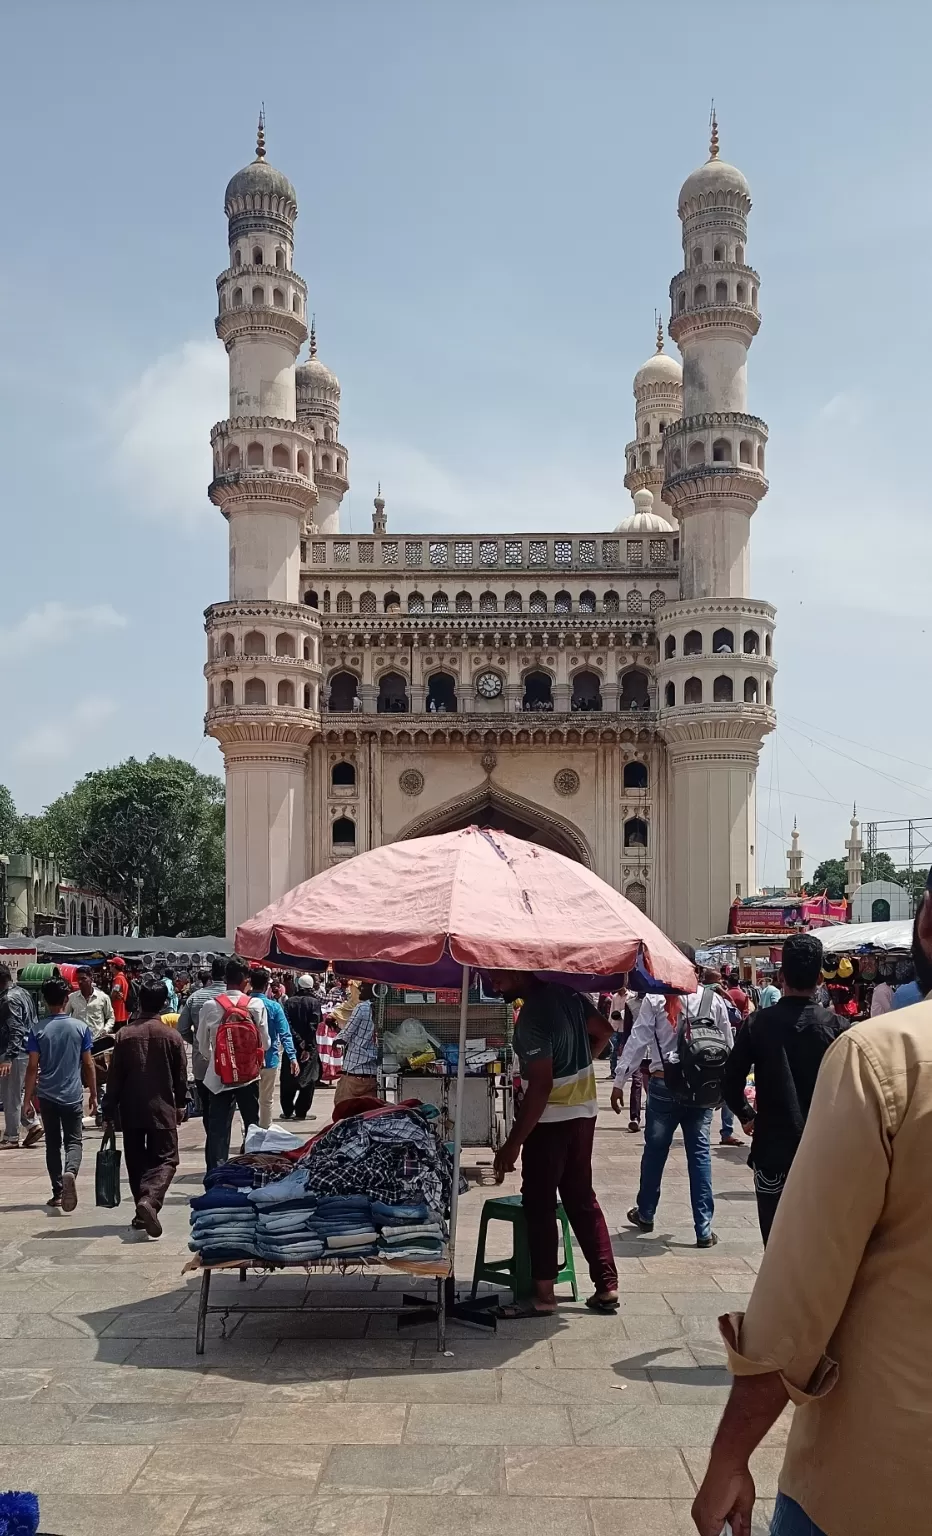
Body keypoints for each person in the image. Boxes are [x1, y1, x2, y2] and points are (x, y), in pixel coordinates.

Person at [690, 872, 932, 1536]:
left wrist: (730, 1455)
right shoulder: (840, 1029)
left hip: (883, 1472)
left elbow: (801, 1292)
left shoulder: (886, 1057)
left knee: (789, 1256)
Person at [489, 972, 619, 1317]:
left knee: (540, 1204)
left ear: (520, 974)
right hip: (584, 1111)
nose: (493, 984)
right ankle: (607, 1286)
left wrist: (513, 1143)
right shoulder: (568, 995)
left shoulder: (532, 1016)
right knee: (581, 1199)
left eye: (498, 977)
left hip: (550, 1121)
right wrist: (580, 1065)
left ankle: (544, 1295)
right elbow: (604, 1032)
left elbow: (541, 1086)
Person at [722, 933, 840, 1244]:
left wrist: (747, 1115)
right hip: (823, 1152)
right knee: (820, 1243)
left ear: (781, 976)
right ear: (819, 978)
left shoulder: (758, 1024)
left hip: (772, 1149)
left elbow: (730, 1080)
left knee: (774, 1243)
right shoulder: (837, 1028)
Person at [616, 945, 733, 1248]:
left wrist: (619, 1080)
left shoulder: (656, 1000)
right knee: (699, 1154)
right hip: (701, 1091)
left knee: (655, 1152)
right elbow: (728, 1047)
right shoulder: (713, 1000)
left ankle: (646, 1212)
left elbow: (637, 1041)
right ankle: (704, 1229)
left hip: (663, 1085)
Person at [101, 979, 187, 1237]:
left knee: (136, 1161)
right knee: (167, 1159)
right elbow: (181, 1078)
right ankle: (149, 1200)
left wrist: (108, 1109)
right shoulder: (172, 1036)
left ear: (139, 1002)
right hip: (162, 1109)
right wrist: (181, 1104)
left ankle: (142, 1210)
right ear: (163, 1003)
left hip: (131, 1110)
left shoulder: (124, 1035)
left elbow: (113, 1077)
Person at [22, 978, 96, 1210]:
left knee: (52, 1145)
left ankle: (58, 1192)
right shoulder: (80, 1028)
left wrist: (27, 1100)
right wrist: (94, 1093)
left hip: (47, 1096)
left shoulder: (37, 1030)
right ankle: (70, 1171)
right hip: (73, 1095)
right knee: (74, 1141)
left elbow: (33, 1067)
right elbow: (88, 1064)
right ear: (66, 999)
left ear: (45, 1000)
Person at [196, 957, 270, 1170]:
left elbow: (202, 1046)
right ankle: (253, 1168)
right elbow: (265, 1043)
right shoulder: (255, 1005)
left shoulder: (210, 1006)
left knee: (218, 1129)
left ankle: (216, 1175)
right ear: (246, 980)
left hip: (218, 1077)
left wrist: (223, 1061)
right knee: (252, 1125)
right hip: (249, 1076)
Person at [177, 955, 226, 1128]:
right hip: (231, 1063)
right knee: (225, 1111)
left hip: (202, 1062)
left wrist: (197, 1041)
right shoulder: (238, 998)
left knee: (207, 1108)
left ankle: (212, 1145)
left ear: (211, 975)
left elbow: (182, 1029)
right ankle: (219, 1148)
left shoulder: (195, 997)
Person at [249, 967, 298, 1127]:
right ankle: (263, 1133)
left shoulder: (243, 1005)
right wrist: (292, 1057)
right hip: (269, 1059)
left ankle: (248, 1133)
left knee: (247, 1101)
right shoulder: (274, 1006)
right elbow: (285, 1034)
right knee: (266, 1100)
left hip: (246, 1061)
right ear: (266, 986)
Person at [0, 966, 43, 1150]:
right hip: (26, 1049)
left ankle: (11, 1136)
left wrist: (8, 1057)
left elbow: (15, 1030)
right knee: (15, 1092)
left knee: (11, 1095)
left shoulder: (8, 999)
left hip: (14, 1052)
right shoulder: (23, 993)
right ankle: (32, 1124)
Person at [281, 973, 322, 1121]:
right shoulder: (315, 1003)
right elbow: (314, 1025)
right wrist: (307, 1045)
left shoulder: (289, 1002)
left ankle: (287, 1110)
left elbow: (287, 1025)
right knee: (309, 1079)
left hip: (291, 1046)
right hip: (309, 1047)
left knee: (288, 1078)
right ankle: (301, 1112)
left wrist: (298, 1041)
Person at [333, 982, 378, 1107]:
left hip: (354, 1071)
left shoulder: (362, 1007)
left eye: (362, 988)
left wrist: (336, 1039)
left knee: (343, 1110)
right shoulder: (382, 1008)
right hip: (372, 1074)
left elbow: (347, 1034)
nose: (359, 990)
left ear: (373, 990)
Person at [65, 968, 116, 1039]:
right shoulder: (72, 998)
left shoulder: (103, 997)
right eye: (78, 979)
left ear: (91, 978)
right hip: (78, 1039)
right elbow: (65, 1017)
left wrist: (105, 1029)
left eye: (83, 979)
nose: (80, 981)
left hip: (97, 1039)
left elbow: (110, 1017)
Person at [110, 958, 130, 1026]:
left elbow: (115, 992)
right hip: (122, 1012)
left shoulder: (118, 978)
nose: (109, 966)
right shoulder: (123, 977)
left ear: (115, 966)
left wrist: (110, 998)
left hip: (118, 1012)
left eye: (111, 964)